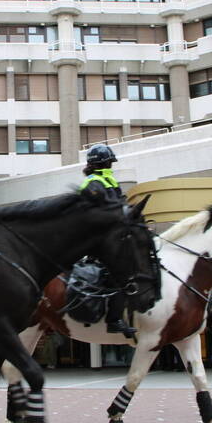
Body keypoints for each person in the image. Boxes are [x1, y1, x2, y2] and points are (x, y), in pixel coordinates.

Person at [78, 143, 136, 337]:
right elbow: (97, 213)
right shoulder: (94, 182)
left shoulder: (109, 180)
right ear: (103, 163)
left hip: (112, 235)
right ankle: (114, 319)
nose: (111, 165)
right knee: (119, 273)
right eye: (109, 162)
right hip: (97, 237)